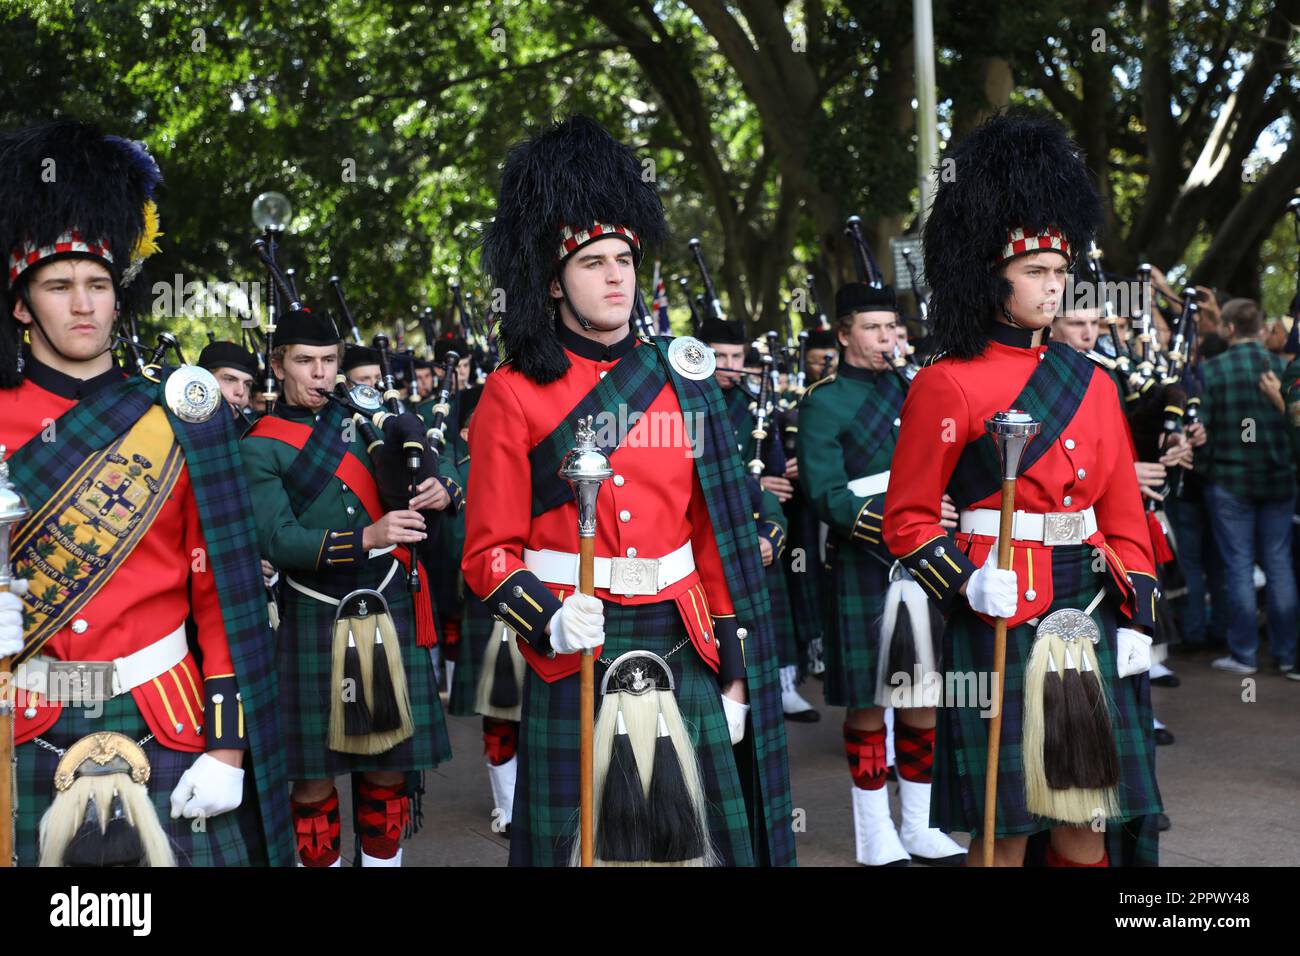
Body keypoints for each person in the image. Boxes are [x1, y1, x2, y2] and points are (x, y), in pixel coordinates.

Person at [462, 114, 794, 867]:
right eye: (592, 263)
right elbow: (486, 553)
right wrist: (546, 619)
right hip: (575, 646)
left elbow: (718, 538)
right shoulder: (512, 393)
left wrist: (736, 670)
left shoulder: (685, 378)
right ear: (554, 281)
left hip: (683, 638)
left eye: (624, 259)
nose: (615, 277)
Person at [0, 120, 291, 866]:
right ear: (23, 303)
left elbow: (222, 596)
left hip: (165, 716)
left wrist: (228, 749)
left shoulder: (181, 415)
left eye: (98, 284)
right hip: (21, 718)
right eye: (59, 286)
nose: (84, 304)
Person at [882, 113, 1163, 867]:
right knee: (1001, 825)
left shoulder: (1093, 382)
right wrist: (968, 584)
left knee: (1086, 819)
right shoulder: (945, 383)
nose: (1053, 286)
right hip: (997, 606)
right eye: (1036, 272)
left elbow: (1123, 514)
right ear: (991, 277)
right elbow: (906, 521)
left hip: (1089, 607)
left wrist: (1139, 613)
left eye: (1058, 272)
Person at [240, 304, 453, 867]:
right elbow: (278, 540)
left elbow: (442, 461)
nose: (318, 373)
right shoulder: (259, 444)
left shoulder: (369, 421)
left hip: (387, 600)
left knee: (387, 766)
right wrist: (367, 536)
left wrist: (441, 486)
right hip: (314, 611)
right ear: (278, 364)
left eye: (328, 360)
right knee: (312, 777)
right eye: (304, 361)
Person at [798, 279, 965, 866]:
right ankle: (874, 834)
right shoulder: (823, 400)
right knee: (870, 701)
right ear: (844, 334)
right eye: (871, 328)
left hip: (925, 560)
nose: (885, 338)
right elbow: (824, 494)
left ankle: (918, 826)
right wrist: (902, 519)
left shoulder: (917, 388)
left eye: (893, 328)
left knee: (924, 694)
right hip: (864, 559)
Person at [703, 317, 818, 722]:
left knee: (763, 620)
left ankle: (778, 687)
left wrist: (770, 486)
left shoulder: (755, 407)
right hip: (706, 534)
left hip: (755, 528)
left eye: (736, 356)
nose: (730, 365)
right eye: (719, 356)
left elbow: (772, 472)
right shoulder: (686, 402)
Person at [1198, 298, 1297, 676]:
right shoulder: (1282, 368)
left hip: (1230, 481)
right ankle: (1287, 654)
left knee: (1238, 567)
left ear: (1230, 328)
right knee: (1279, 565)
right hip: (1278, 481)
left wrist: (1207, 470)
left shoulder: (1213, 370)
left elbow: (1200, 431)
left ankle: (1244, 655)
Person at [198, 338, 260, 431]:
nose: (241, 392)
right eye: (230, 379)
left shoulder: (252, 433)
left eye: (247, 384)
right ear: (202, 380)